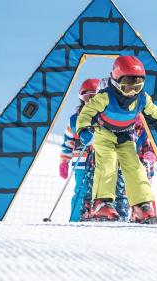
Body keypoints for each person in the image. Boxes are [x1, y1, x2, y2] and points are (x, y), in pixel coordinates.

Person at [76, 56, 157, 224]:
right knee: (107, 163)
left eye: (137, 86)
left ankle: (142, 205)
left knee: (135, 166)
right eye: (127, 86)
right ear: (116, 81)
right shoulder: (105, 97)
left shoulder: (142, 98)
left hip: (125, 136)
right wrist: (84, 129)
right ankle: (101, 203)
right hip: (104, 134)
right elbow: (87, 112)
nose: (132, 91)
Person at [59, 78, 100, 221]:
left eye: (96, 96)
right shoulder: (74, 120)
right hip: (81, 163)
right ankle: (76, 220)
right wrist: (64, 162)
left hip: (101, 163)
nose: (92, 100)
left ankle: (96, 219)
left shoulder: (105, 117)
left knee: (101, 192)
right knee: (81, 191)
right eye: (89, 97)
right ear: (82, 98)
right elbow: (67, 142)